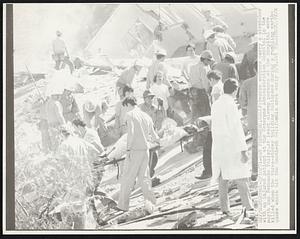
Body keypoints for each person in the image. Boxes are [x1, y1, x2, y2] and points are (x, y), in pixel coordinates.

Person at [211, 78, 254, 216]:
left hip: (219, 145)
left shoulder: (216, 104)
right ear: (235, 90)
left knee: (223, 177)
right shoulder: (231, 104)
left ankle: (225, 208)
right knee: (241, 177)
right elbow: (236, 129)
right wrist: (243, 149)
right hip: (232, 145)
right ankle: (249, 207)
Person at [117, 96, 160, 212]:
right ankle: (151, 201)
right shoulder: (146, 116)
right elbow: (155, 136)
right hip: (145, 149)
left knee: (127, 178)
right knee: (144, 177)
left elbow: (130, 133)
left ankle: (122, 205)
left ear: (127, 105)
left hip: (135, 150)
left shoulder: (130, 115)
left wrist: (128, 150)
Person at [55, 126, 100, 229]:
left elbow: (58, 164)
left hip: (71, 180)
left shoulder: (64, 145)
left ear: (61, 135)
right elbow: (97, 151)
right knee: (81, 205)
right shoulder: (80, 141)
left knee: (67, 207)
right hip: (84, 177)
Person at [139, 90, 166, 178]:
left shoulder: (154, 108)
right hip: (143, 135)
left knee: (154, 157)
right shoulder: (140, 109)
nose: (150, 99)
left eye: (151, 97)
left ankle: (149, 174)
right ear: (144, 99)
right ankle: (145, 176)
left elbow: (162, 118)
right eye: (148, 98)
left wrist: (161, 106)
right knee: (146, 157)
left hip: (152, 134)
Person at [239, 60, 258, 181]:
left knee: (256, 145)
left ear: (254, 69)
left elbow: (242, 103)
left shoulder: (247, 83)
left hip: (254, 118)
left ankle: (255, 171)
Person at [188, 50, 212, 120]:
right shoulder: (203, 68)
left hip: (192, 91)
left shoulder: (192, 67)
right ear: (205, 60)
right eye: (209, 61)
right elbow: (205, 83)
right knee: (205, 114)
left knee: (195, 113)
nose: (209, 62)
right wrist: (209, 93)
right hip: (201, 92)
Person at [45, 85, 66, 151]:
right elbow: (59, 115)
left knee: (54, 141)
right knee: (61, 141)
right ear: (54, 95)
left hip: (50, 125)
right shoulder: (56, 103)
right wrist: (64, 125)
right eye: (58, 95)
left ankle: (55, 155)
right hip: (57, 125)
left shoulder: (48, 102)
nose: (59, 97)